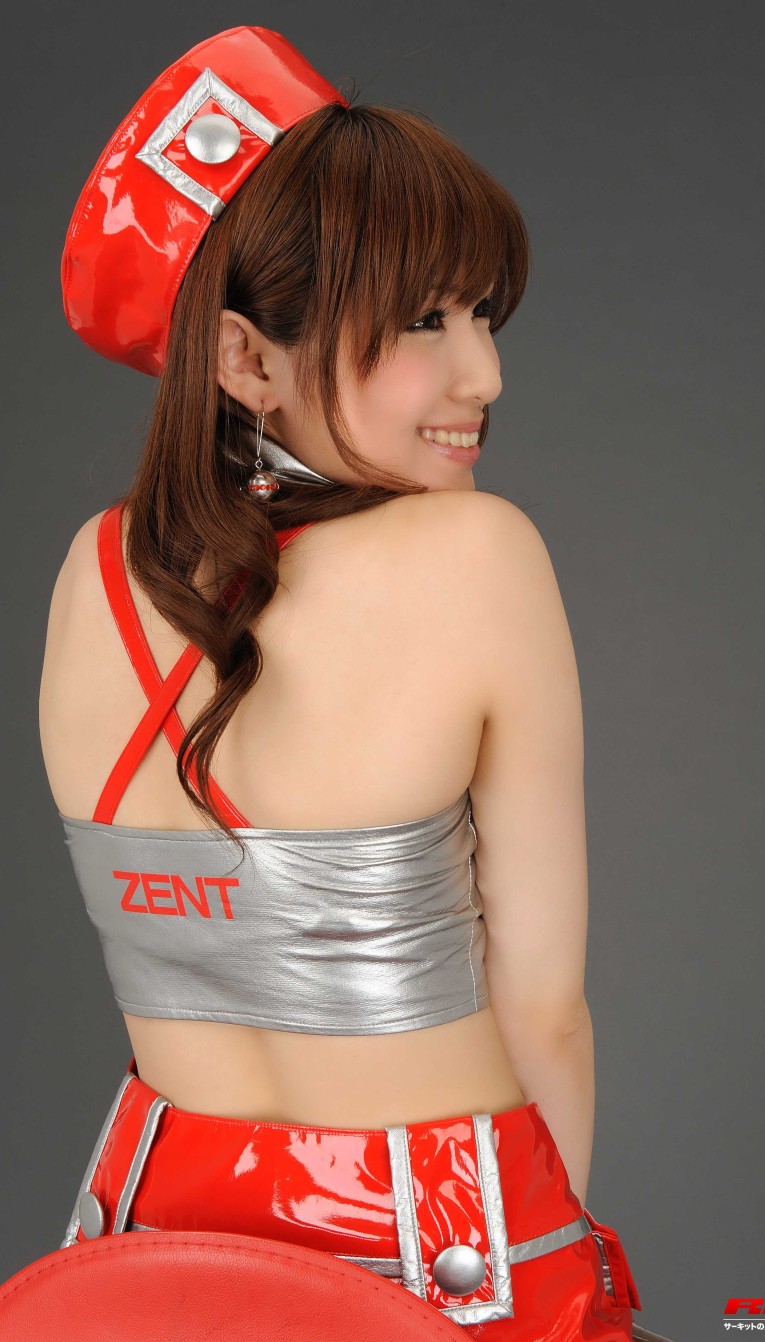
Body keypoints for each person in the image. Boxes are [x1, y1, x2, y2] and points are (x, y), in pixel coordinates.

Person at [38, 25, 642, 1341]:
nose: (484, 375)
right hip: (439, 1261)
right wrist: (561, 1271)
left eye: (482, 316)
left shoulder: (94, 571)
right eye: (423, 322)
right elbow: (545, 1009)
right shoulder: (477, 553)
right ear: (244, 360)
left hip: (140, 1260)